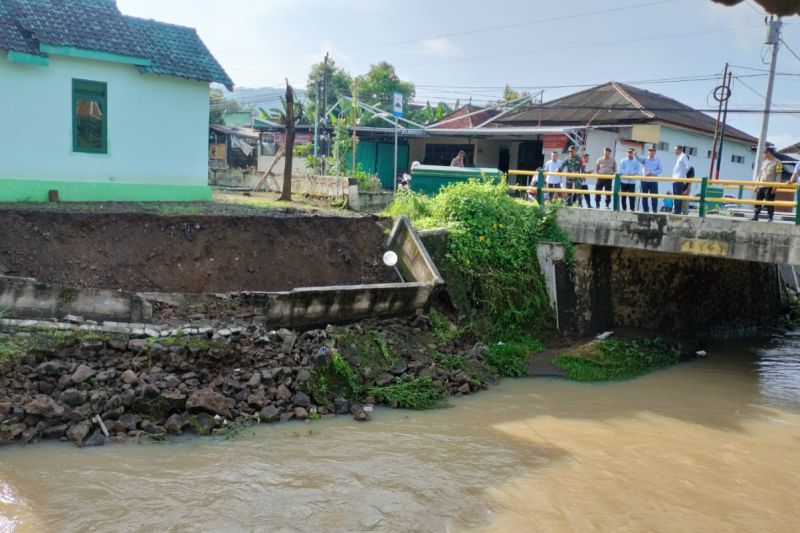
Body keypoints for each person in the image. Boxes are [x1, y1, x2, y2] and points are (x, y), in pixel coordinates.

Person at [752, 146, 783, 222]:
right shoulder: (764, 162)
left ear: (769, 153)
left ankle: (770, 217)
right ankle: (756, 215)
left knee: (769, 201)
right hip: (761, 185)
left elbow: (778, 175)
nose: (764, 154)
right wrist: (756, 185)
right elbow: (760, 174)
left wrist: (775, 187)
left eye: (765, 153)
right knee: (758, 201)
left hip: (770, 186)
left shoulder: (778, 162)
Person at [636, 146, 663, 213]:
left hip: (653, 181)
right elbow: (638, 158)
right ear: (648, 152)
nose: (651, 152)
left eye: (652, 151)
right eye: (649, 150)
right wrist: (635, 154)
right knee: (644, 197)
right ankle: (646, 210)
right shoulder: (644, 159)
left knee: (654, 197)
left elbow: (660, 170)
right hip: (644, 181)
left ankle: (654, 210)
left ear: (655, 152)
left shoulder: (657, 160)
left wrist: (652, 173)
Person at [672, 145, 691, 214]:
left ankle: (677, 211)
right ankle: (676, 210)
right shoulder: (679, 157)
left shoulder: (683, 156)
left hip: (679, 179)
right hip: (676, 180)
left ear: (680, 150)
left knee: (678, 196)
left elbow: (688, 166)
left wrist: (682, 174)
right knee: (676, 196)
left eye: (675, 150)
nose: (674, 151)